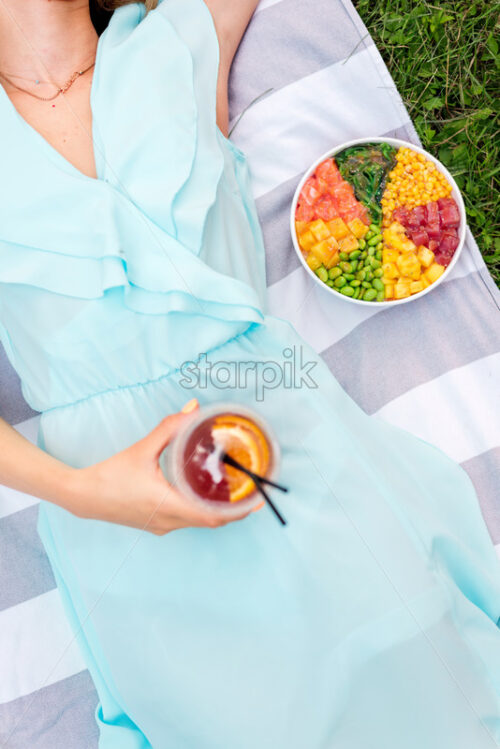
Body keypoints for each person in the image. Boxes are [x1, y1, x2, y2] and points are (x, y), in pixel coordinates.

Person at [0, 1, 498, 747]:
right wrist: (84, 491)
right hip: (116, 504)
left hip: (289, 432)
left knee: (419, 677)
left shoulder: (175, 39)